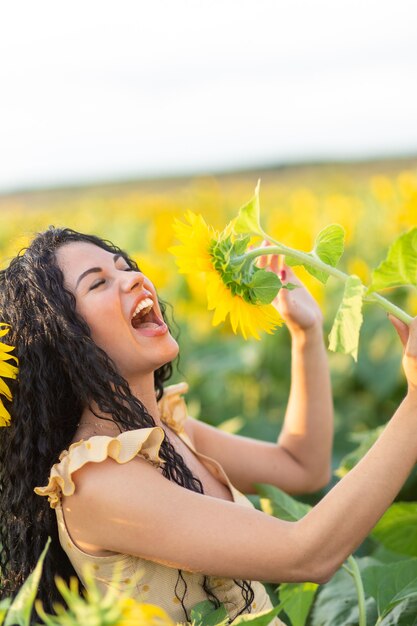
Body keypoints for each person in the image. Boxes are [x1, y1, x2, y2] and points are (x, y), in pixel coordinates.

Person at [0, 227, 415, 625]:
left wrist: (304, 332)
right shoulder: (95, 482)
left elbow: (302, 466)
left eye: (125, 266)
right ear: (61, 337)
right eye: (98, 283)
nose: (134, 280)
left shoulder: (165, 431)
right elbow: (308, 554)